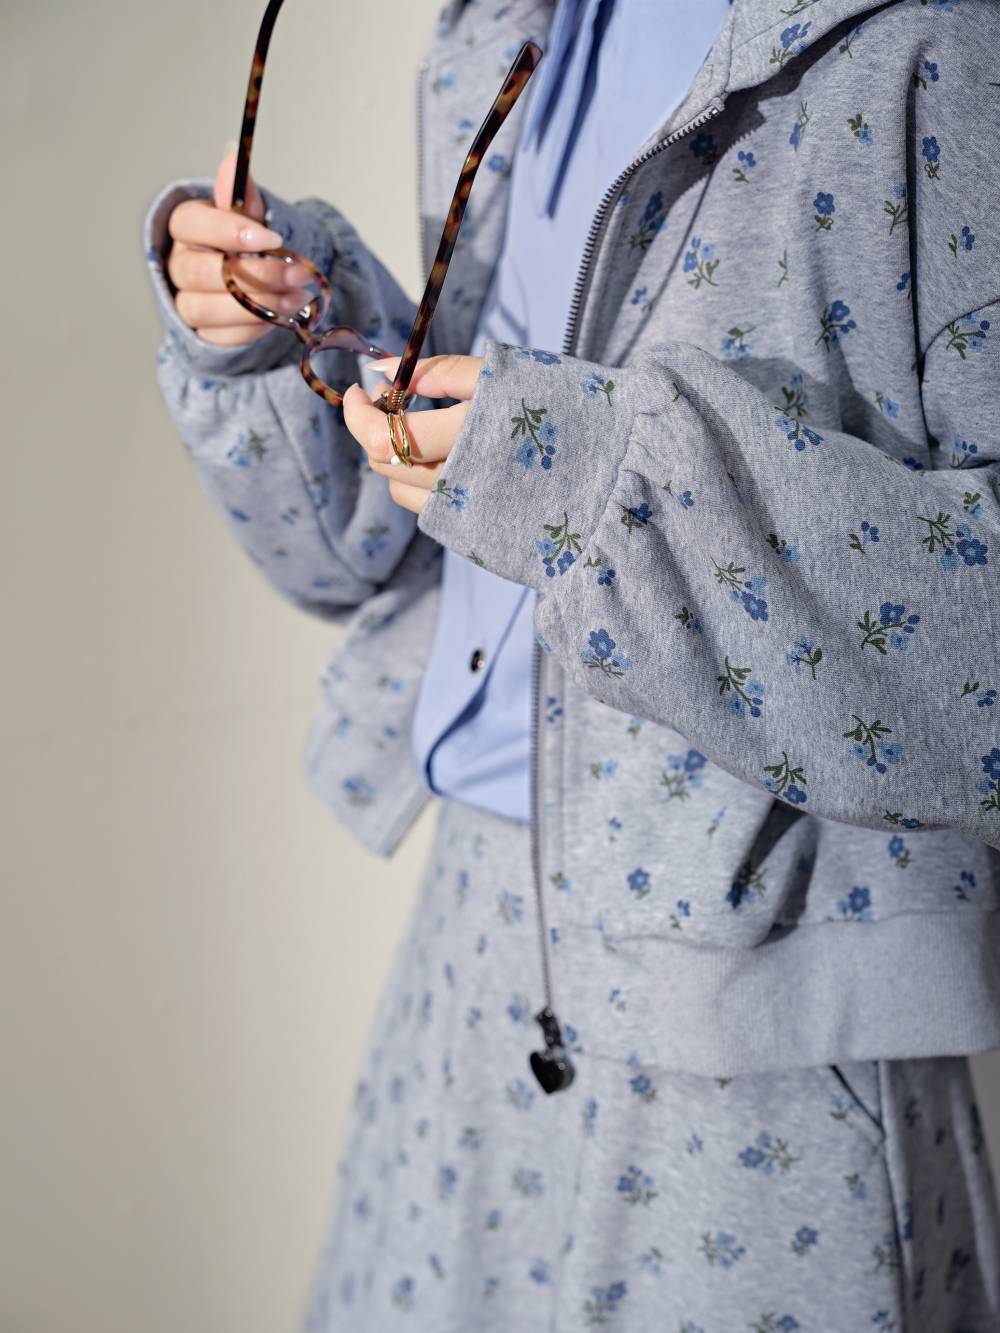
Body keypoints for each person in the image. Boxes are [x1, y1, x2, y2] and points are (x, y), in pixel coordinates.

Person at [143, 0, 1000, 1327]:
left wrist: (593, 475)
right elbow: (375, 557)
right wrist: (284, 338)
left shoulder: (942, 43)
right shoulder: (511, 30)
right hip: (471, 959)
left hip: (770, 1042)